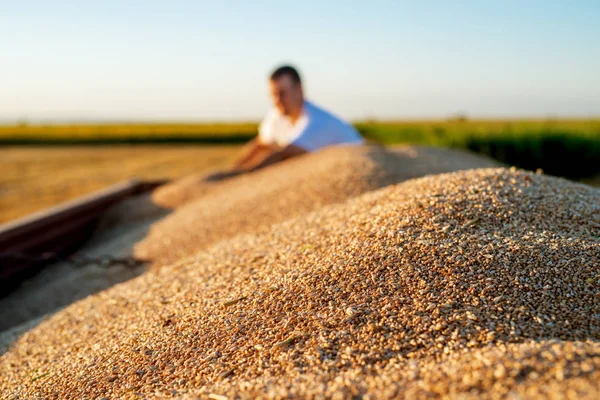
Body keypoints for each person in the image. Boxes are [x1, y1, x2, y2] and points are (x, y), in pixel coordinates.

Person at [206, 65, 364, 181]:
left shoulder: (317, 122)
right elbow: (261, 144)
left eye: (282, 94)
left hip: (359, 169)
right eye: (273, 94)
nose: (277, 101)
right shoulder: (277, 115)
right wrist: (232, 171)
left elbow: (284, 154)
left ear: (299, 90)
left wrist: (240, 177)